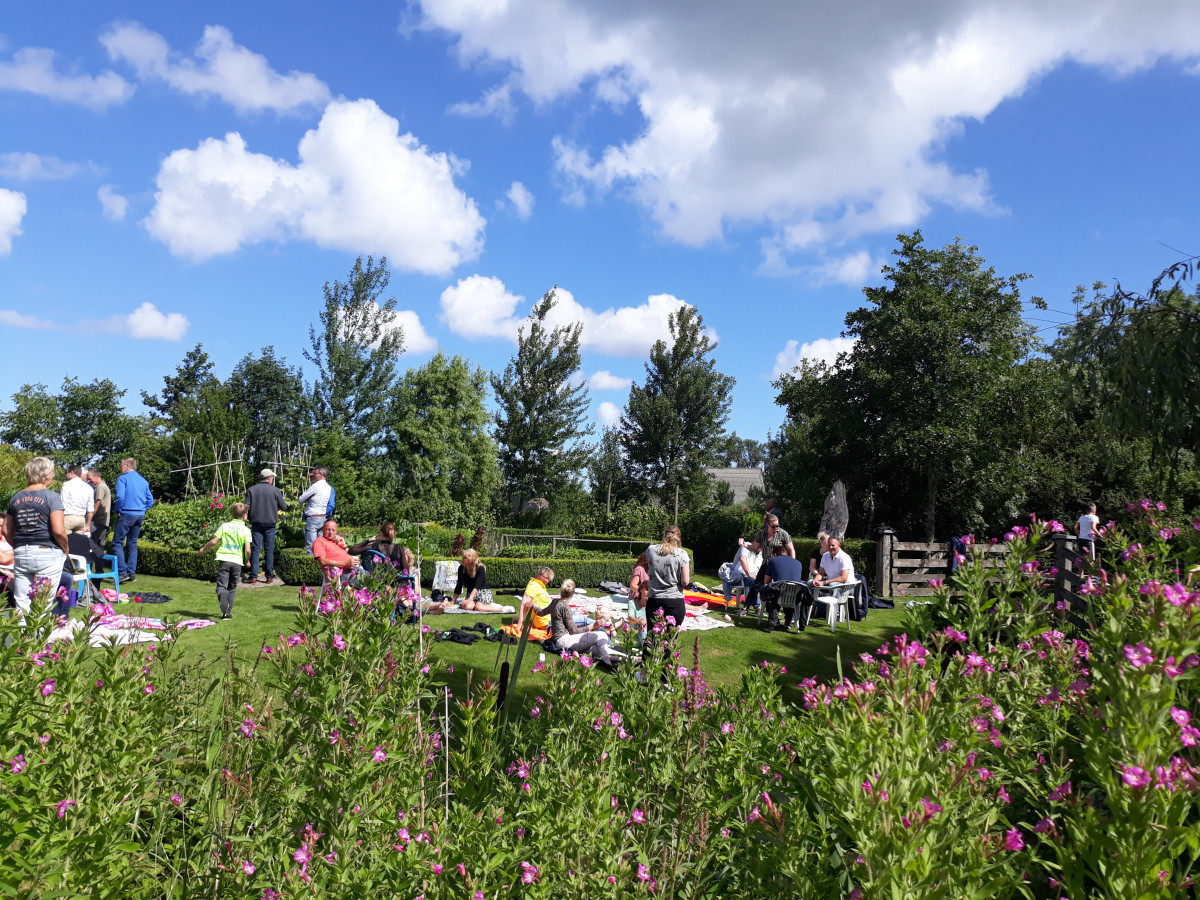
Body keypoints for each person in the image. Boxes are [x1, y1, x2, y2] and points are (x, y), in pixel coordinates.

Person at [5, 457, 70, 614]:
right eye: (52, 472)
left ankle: (23, 637)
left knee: (22, 601)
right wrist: (65, 548)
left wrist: (18, 546)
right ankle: (40, 637)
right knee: (43, 603)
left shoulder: (15, 499)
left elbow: (7, 530)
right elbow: (58, 530)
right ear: (46, 475)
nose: (53, 475)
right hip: (47, 552)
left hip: (21, 553)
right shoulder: (52, 497)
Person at [198, 502, 252, 620]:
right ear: (244, 515)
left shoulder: (225, 526)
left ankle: (222, 594)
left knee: (222, 586)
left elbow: (214, 541)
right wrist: (247, 561)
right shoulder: (246, 530)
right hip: (237, 561)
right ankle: (227, 614)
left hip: (224, 559)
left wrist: (203, 548)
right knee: (232, 587)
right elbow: (247, 550)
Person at [547, 579, 618, 666]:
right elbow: (574, 631)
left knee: (597, 648)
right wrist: (592, 626)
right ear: (572, 594)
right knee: (601, 635)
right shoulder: (566, 608)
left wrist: (532, 606)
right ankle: (606, 659)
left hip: (559, 642)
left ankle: (625, 658)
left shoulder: (554, 602)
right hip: (565, 642)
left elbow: (541, 612)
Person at [113, 457, 154, 584]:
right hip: (139, 515)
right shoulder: (143, 481)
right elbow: (150, 501)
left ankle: (122, 572)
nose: (120, 468)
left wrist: (117, 510)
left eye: (121, 465)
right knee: (132, 543)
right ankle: (131, 573)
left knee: (117, 542)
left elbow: (120, 497)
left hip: (126, 513)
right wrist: (142, 510)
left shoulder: (122, 479)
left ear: (126, 466)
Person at [245, 468, 288, 585]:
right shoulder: (275, 490)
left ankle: (253, 576)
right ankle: (269, 576)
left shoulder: (251, 490)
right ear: (269, 478)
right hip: (270, 523)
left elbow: (246, 506)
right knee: (269, 549)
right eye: (272, 477)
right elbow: (284, 507)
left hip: (256, 523)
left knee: (256, 549)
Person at [645, 525, 690, 632]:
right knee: (670, 640)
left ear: (664, 536)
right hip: (674, 600)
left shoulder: (651, 550)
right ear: (678, 537)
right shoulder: (682, 554)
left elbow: (649, 569)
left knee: (652, 639)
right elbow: (685, 581)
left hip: (654, 598)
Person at [744, 513, 795, 607]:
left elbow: (791, 549)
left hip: (779, 565)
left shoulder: (782, 533)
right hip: (766, 564)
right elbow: (755, 547)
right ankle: (746, 607)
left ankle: (773, 609)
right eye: (774, 526)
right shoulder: (762, 533)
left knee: (778, 588)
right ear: (767, 524)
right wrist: (745, 545)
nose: (776, 528)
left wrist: (792, 564)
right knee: (756, 586)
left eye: (778, 525)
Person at [762, 545, 808, 633]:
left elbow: (766, 582)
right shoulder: (798, 563)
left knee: (768, 591)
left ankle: (773, 622)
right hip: (795, 597)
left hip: (778, 594)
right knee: (787, 592)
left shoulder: (773, 561)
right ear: (786, 553)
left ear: (775, 554)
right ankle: (788, 620)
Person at [297, 467, 333, 553]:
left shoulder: (315, 486)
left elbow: (301, 499)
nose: (313, 476)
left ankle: (311, 565)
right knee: (320, 546)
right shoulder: (328, 487)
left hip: (313, 518)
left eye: (315, 474)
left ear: (320, 475)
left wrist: (308, 498)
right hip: (323, 517)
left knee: (311, 547)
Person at [721, 539, 761, 607]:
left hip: (751, 576)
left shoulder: (761, 552)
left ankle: (767, 607)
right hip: (740, 576)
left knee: (765, 582)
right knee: (752, 581)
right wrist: (749, 574)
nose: (761, 549)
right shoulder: (746, 546)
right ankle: (756, 606)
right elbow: (742, 559)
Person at [516, 566, 555, 632]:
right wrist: (520, 624)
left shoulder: (539, 585)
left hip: (549, 618)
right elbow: (524, 604)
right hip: (545, 622)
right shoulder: (533, 585)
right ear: (538, 575)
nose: (547, 581)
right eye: (546, 578)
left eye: (549, 579)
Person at [60, 464, 94, 535]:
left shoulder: (67, 485)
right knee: (78, 543)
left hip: (68, 517)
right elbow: (90, 509)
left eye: (67, 472)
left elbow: (63, 503)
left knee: (67, 542)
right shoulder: (88, 487)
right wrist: (87, 525)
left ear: (71, 472)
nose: (66, 474)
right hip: (81, 518)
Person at [626, 553, 649, 645]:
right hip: (638, 597)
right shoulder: (639, 569)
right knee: (641, 618)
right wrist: (643, 592)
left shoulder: (642, 570)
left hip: (642, 598)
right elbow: (632, 585)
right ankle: (646, 645)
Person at [85, 467, 111, 546]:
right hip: (103, 520)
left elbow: (98, 503)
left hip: (98, 520)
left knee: (91, 542)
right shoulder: (103, 485)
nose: (89, 481)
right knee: (100, 544)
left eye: (90, 479)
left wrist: (90, 517)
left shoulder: (100, 487)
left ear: (96, 477)